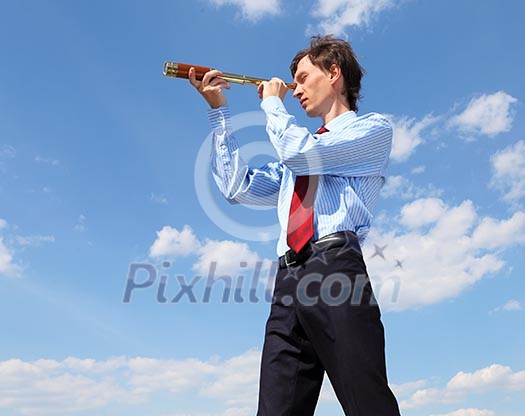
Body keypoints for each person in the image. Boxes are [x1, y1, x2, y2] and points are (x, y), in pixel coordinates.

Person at [189, 35, 400, 416]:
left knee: (366, 402)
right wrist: (219, 111)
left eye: (303, 78)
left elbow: (302, 156)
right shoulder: (295, 160)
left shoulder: (372, 130)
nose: (295, 89)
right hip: (286, 281)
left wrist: (272, 103)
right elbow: (239, 187)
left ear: (334, 73)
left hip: (336, 269)